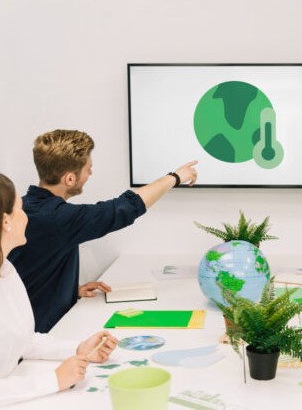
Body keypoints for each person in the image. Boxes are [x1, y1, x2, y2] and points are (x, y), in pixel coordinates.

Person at [8, 129, 198, 332]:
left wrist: (69, 291)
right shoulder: (58, 218)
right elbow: (124, 208)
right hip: (34, 339)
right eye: (88, 169)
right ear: (70, 179)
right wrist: (175, 177)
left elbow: (30, 272)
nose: (90, 173)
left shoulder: (24, 208)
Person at [0, 173, 118, 406]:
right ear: (6, 221)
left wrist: (78, 348)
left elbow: (20, 341)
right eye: (21, 209)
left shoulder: (7, 269)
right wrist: (54, 380)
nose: (27, 217)